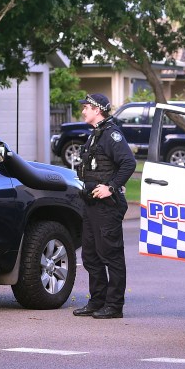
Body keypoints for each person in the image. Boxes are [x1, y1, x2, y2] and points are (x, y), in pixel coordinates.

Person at [72, 93, 136, 319]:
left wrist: (111, 186)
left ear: (97, 110)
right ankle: (97, 301)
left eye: (86, 107)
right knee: (90, 255)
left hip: (107, 205)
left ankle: (114, 305)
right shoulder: (96, 134)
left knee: (111, 254)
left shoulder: (112, 135)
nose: (83, 111)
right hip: (91, 204)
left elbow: (129, 163)